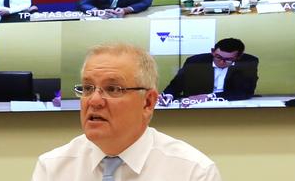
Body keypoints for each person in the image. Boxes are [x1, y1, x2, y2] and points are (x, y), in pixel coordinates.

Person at [32, 43, 222, 181]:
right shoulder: (53, 167)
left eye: (113, 89)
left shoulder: (193, 171)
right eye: (88, 88)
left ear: (148, 103)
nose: (94, 101)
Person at [160, 38, 258, 105]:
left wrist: (210, 96)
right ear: (212, 51)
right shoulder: (196, 62)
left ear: (239, 57)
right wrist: (169, 95)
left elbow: (245, 91)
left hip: (232, 105)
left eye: (228, 59)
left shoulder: (248, 62)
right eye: (218, 57)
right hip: (196, 107)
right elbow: (176, 85)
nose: (222, 62)